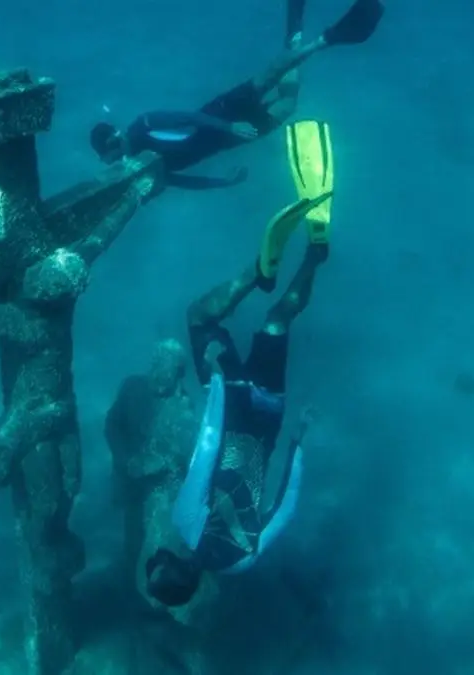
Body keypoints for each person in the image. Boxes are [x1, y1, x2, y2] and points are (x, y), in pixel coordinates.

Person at [144, 176, 336, 606]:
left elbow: (285, 507)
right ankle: (257, 273)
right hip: (230, 401)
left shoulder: (243, 561)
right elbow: (207, 449)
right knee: (199, 318)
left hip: (267, 416)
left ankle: (315, 256)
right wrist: (214, 382)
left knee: (276, 322)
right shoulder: (185, 521)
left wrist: (299, 440)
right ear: (172, 559)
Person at [89, 0, 384, 190]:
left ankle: (324, 40)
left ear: (113, 140)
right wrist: (224, 182)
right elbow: (182, 181)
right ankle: (294, 34)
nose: (109, 163)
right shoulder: (143, 171)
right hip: (229, 139)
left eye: (107, 156)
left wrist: (230, 125)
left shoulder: (145, 124)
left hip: (220, 115)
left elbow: (190, 117)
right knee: (287, 104)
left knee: (269, 76)